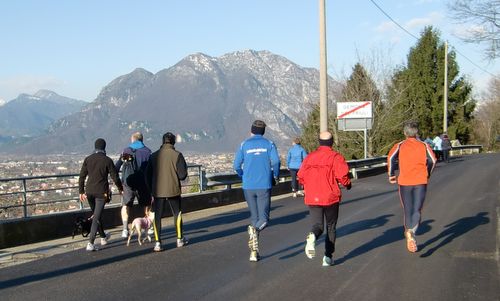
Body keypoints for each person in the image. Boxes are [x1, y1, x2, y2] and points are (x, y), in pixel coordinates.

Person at [297, 131, 351, 267]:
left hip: (312, 197)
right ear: (332, 142)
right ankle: (327, 256)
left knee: (317, 226)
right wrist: (347, 184)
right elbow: (343, 176)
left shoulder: (309, 157)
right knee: (331, 227)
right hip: (330, 197)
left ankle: (313, 236)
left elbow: (301, 176)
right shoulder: (335, 157)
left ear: (319, 142)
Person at [233, 120, 280, 262]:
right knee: (264, 219)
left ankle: (254, 252)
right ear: (263, 131)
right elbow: (276, 162)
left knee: (255, 218)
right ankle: (256, 232)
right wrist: (275, 176)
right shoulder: (269, 144)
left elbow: (236, 165)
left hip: (248, 186)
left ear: (251, 130)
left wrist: (243, 175)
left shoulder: (244, 144)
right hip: (263, 185)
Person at [387, 121, 437, 253]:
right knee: (417, 210)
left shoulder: (400, 145)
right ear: (417, 133)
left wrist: (391, 174)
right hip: (420, 181)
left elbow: (391, 158)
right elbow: (433, 160)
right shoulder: (424, 145)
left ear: (405, 133)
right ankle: (411, 233)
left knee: (408, 210)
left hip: (404, 182)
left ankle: (409, 234)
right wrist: (427, 174)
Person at [146, 132, 188, 252]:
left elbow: (147, 175)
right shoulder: (177, 155)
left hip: (157, 191)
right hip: (173, 190)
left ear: (162, 141)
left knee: (157, 217)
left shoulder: (153, 156)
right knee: (177, 214)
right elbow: (182, 175)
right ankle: (179, 239)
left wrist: (151, 188)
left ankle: (158, 242)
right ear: (173, 142)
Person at [79, 138, 123, 251]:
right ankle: (90, 243)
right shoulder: (107, 160)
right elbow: (115, 177)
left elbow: (82, 176)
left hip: (89, 192)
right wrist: (120, 188)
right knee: (96, 217)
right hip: (101, 193)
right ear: (104, 147)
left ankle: (103, 237)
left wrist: (81, 191)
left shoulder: (88, 159)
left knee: (96, 214)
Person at [115, 132, 152, 238]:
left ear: (132, 139)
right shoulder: (147, 152)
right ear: (142, 140)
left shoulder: (126, 151)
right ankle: (148, 227)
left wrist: (119, 183)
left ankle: (125, 229)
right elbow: (151, 170)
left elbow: (117, 167)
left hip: (128, 184)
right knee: (147, 204)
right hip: (143, 183)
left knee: (125, 205)